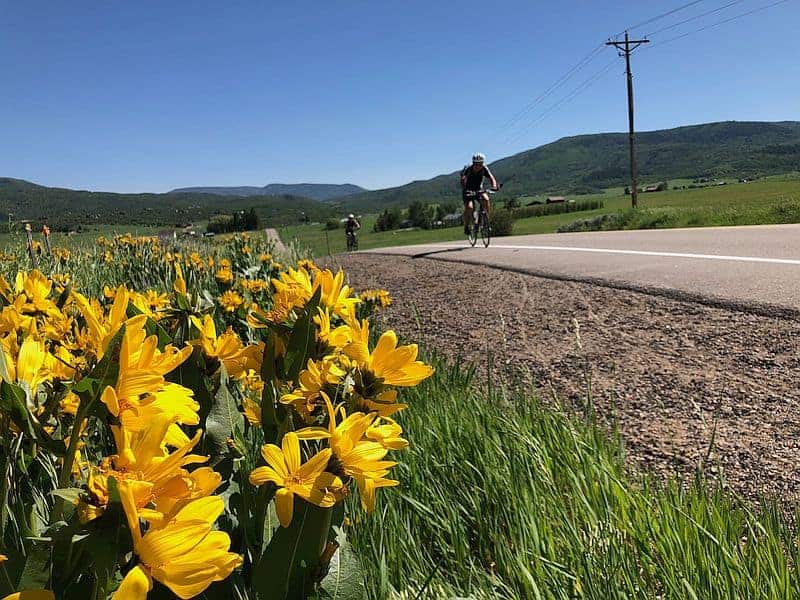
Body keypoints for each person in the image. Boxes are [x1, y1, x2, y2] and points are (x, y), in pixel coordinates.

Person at [460, 153, 498, 235]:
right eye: (476, 164)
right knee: (469, 207)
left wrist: (494, 186)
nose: (478, 166)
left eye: (480, 164)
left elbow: (491, 177)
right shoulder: (468, 169)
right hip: (468, 190)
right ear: (473, 163)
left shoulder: (484, 169)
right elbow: (463, 179)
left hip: (478, 189)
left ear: (483, 163)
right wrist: (465, 188)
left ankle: (486, 221)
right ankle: (466, 226)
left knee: (486, 199)